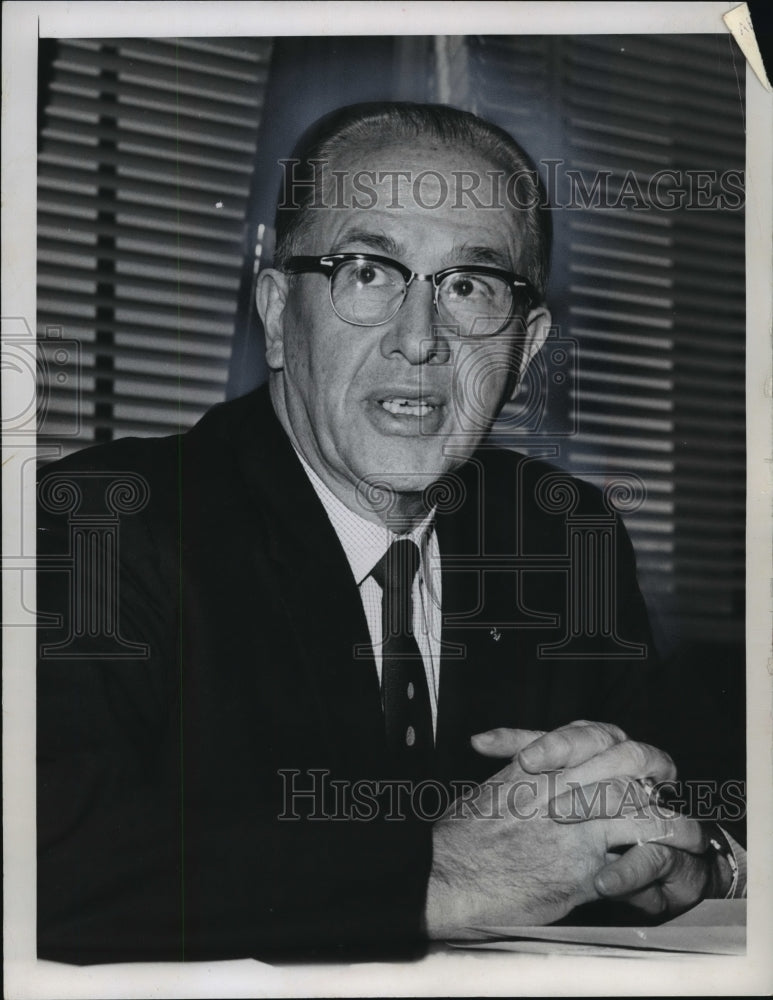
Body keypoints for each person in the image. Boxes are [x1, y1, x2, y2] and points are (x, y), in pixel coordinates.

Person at [36, 102, 743, 965]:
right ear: (274, 313)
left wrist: (679, 858)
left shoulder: (563, 538)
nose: (419, 341)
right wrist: (438, 874)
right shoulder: (99, 521)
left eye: (471, 286)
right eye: (367, 271)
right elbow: (44, 858)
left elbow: (687, 803)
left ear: (525, 348)